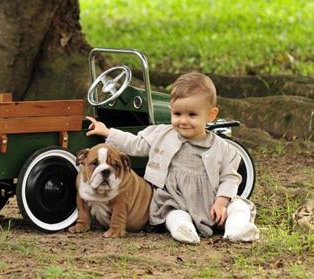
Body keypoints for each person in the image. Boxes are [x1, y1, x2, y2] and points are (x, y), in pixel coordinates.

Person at [85, 72, 259, 244]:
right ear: (171, 111)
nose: (183, 121)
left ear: (211, 115)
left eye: (192, 115)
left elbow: (230, 178)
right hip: (177, 201)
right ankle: (184, 229)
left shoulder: (223, 149)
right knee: (172, 214)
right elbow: (134, 143)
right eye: (177, 114)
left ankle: (237, 229)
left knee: (239, 206)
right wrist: (107, 132)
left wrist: (221, 203)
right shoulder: (162, 135)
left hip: (213, 204)